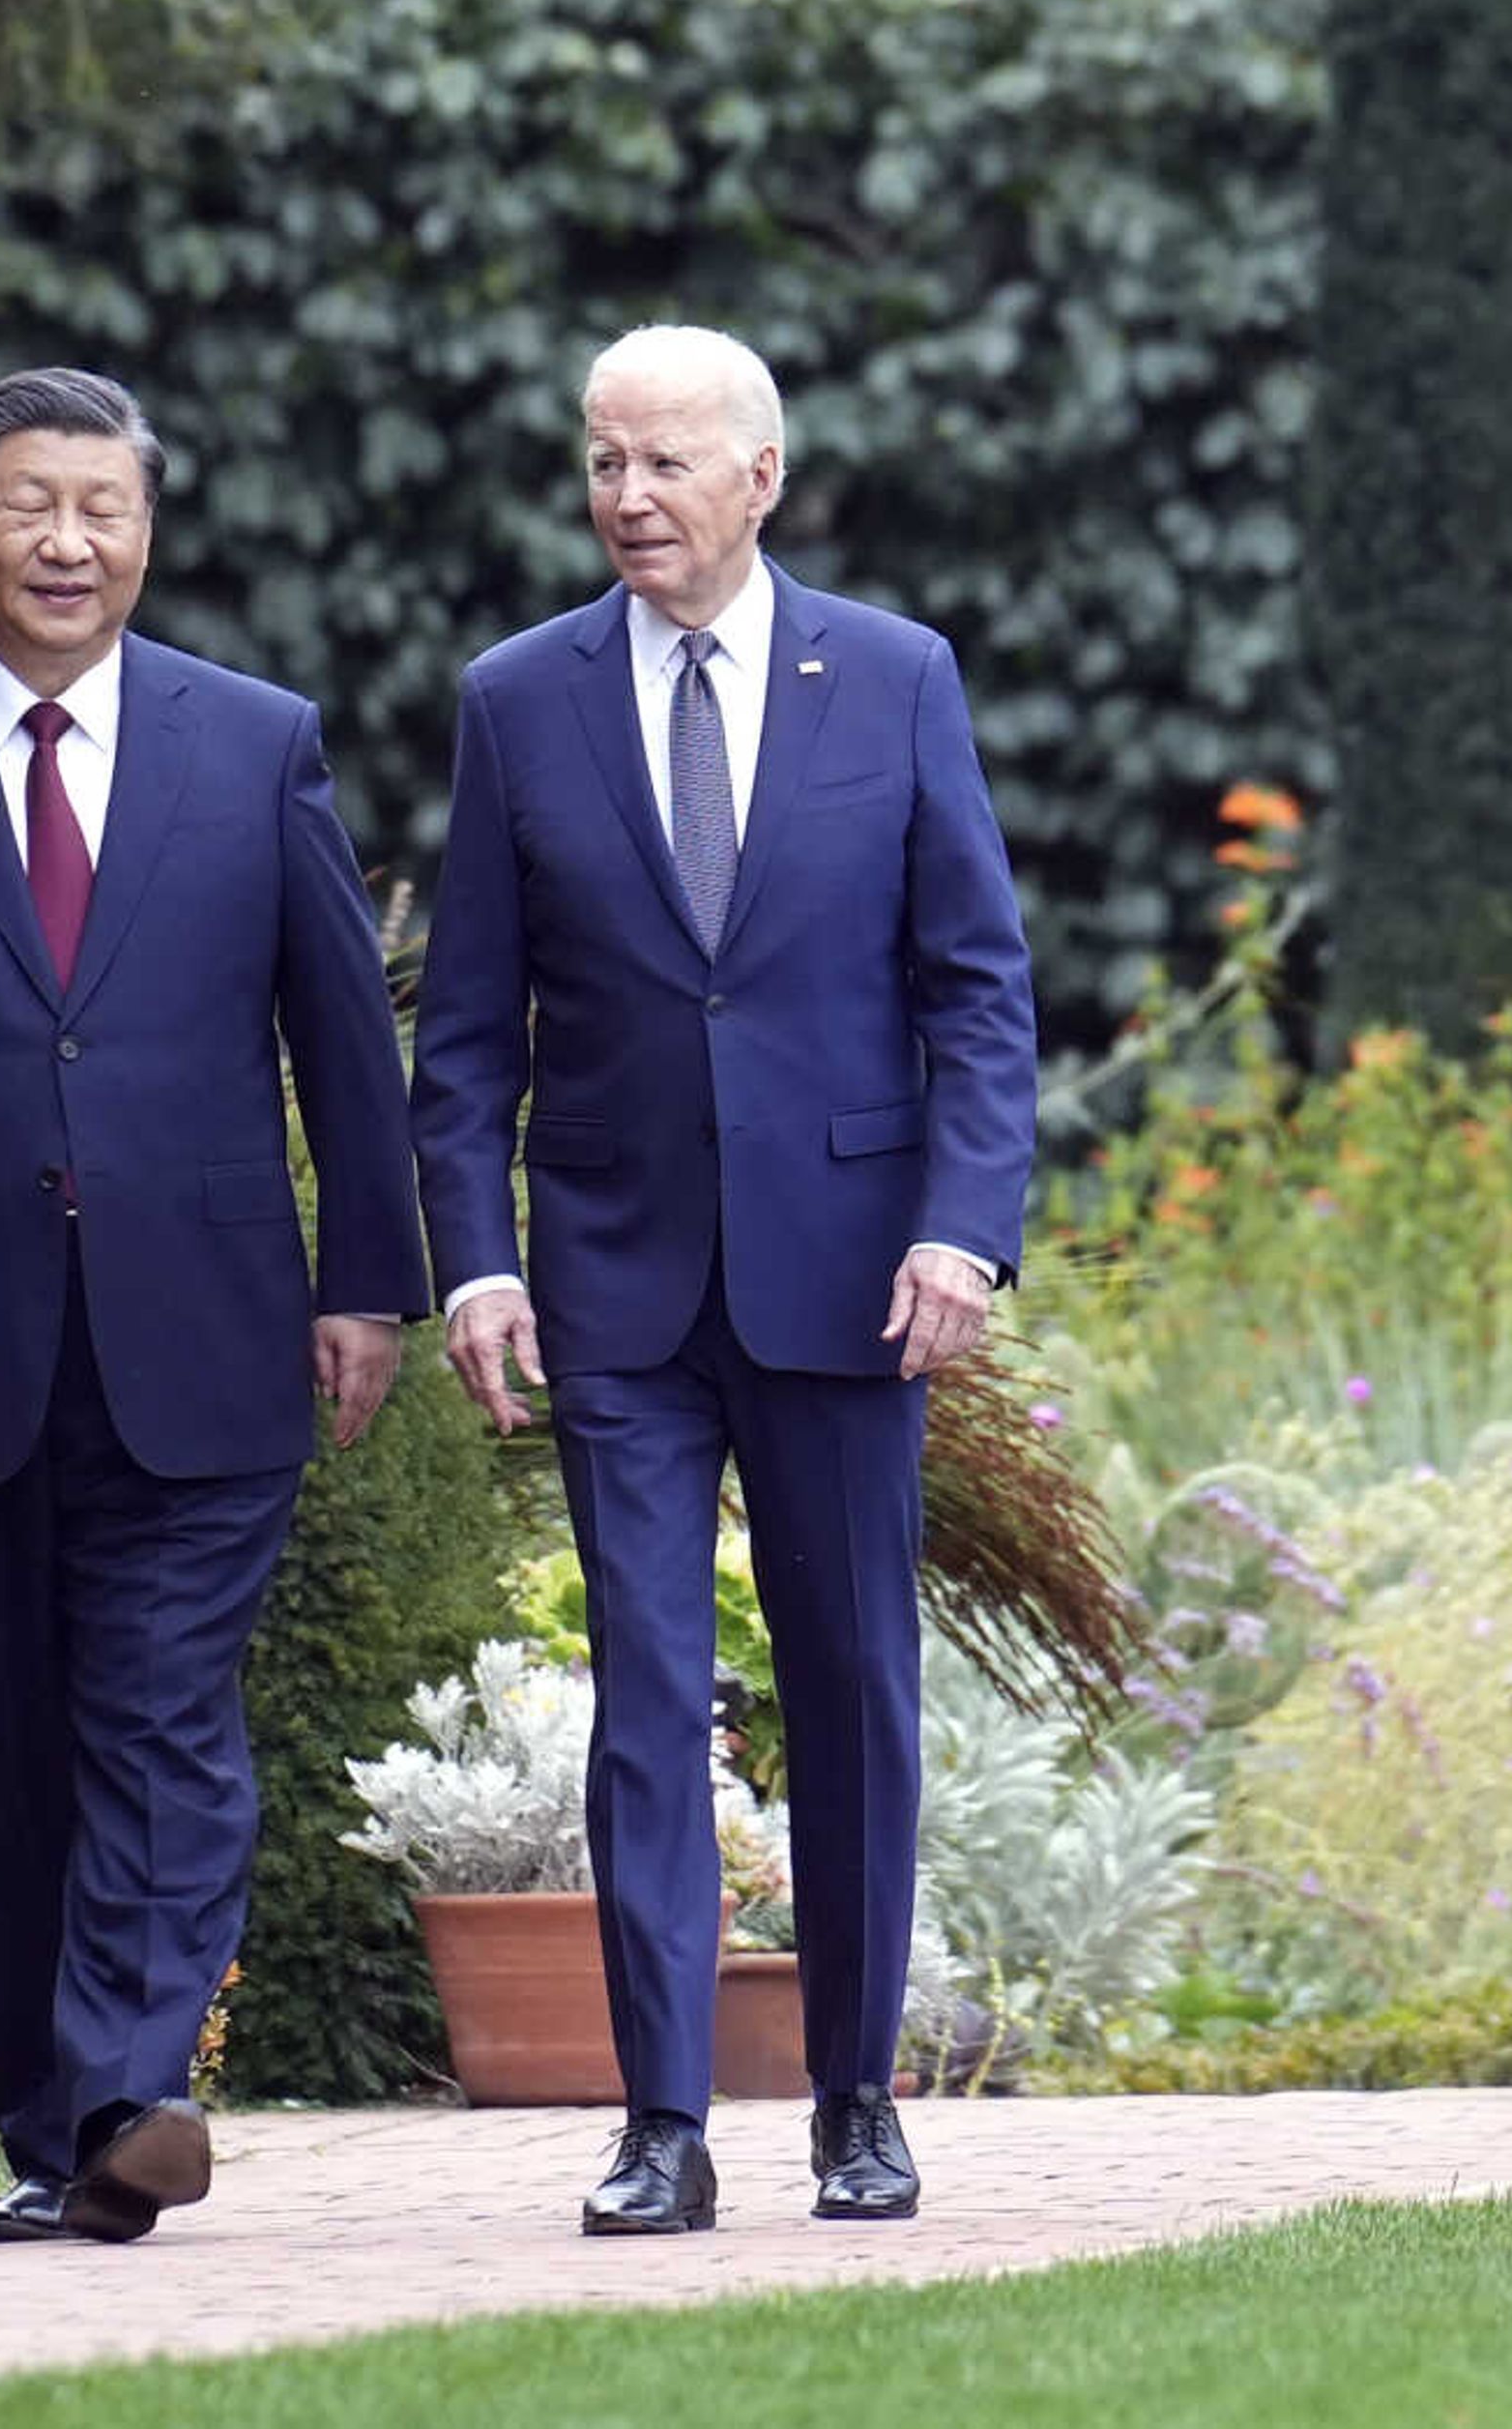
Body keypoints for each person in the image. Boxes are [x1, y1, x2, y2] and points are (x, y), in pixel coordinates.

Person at [0, 366, 424, 2245]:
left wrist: (373, 1279)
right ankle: (58, 2135)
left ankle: (131, 2088)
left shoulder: (255, 740)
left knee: (166, 1709)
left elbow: (340, 1035)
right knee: (19, 1742)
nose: (68, 541)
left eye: (103, 507)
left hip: (201, 1323)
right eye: (31, 503)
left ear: (145, 528)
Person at [409, 324, 1036, 2235]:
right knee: (648, 1692)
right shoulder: (520, 702)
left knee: (852, 1683)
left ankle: (856, 2103)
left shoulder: (897, 679)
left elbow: (977, 991)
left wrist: (963, 1221)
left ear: (763, 477)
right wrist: (478, 1263)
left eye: (668, 462)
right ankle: (662, 2127)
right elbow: (467, 1033)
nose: (629, 498)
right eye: (604, 461)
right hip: (616, 1284)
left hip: (852, 1283)